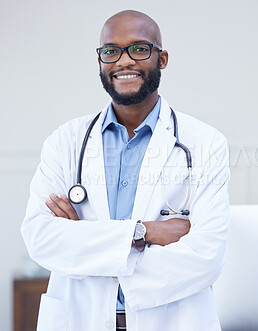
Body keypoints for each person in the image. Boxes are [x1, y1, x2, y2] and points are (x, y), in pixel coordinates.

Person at [21, 10, 230, 331]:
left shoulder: (205, 143)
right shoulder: (65, 141)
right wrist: (142, 233)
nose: (124, 61)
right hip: (81, 319)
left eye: (140, 48)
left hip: (172, 321)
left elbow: (205, 257)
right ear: (101, 60)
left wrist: (85, 241)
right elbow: (41, 239)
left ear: (162, 59)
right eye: (111, 51)